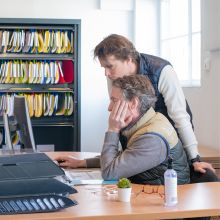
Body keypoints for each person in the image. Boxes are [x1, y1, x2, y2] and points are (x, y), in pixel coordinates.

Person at [56, 34, 218, 183]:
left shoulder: (162, 71)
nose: (106, 73)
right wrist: (89, 162)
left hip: (163, 144)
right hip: (147, 144)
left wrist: (194, 159)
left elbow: (180, 117)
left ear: (128, 59)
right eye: (103, 67)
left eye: (110, 66)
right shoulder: (115, 77)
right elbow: (126, 135)